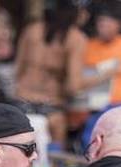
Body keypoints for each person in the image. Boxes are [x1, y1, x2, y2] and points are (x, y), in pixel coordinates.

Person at [12, 6, 92, 147]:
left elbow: (17, 69)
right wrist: (103, 76)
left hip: (21, 102)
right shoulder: (76, 38)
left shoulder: (31, 30)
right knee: (56, 150)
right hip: (51, 108)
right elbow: (74, 86)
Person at [83, 3, 121, 107]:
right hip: (95, 103)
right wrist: (107, 73)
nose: (105, 28)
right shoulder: (87, 46)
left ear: (119, 25)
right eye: (101, 23)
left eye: (109, 24)